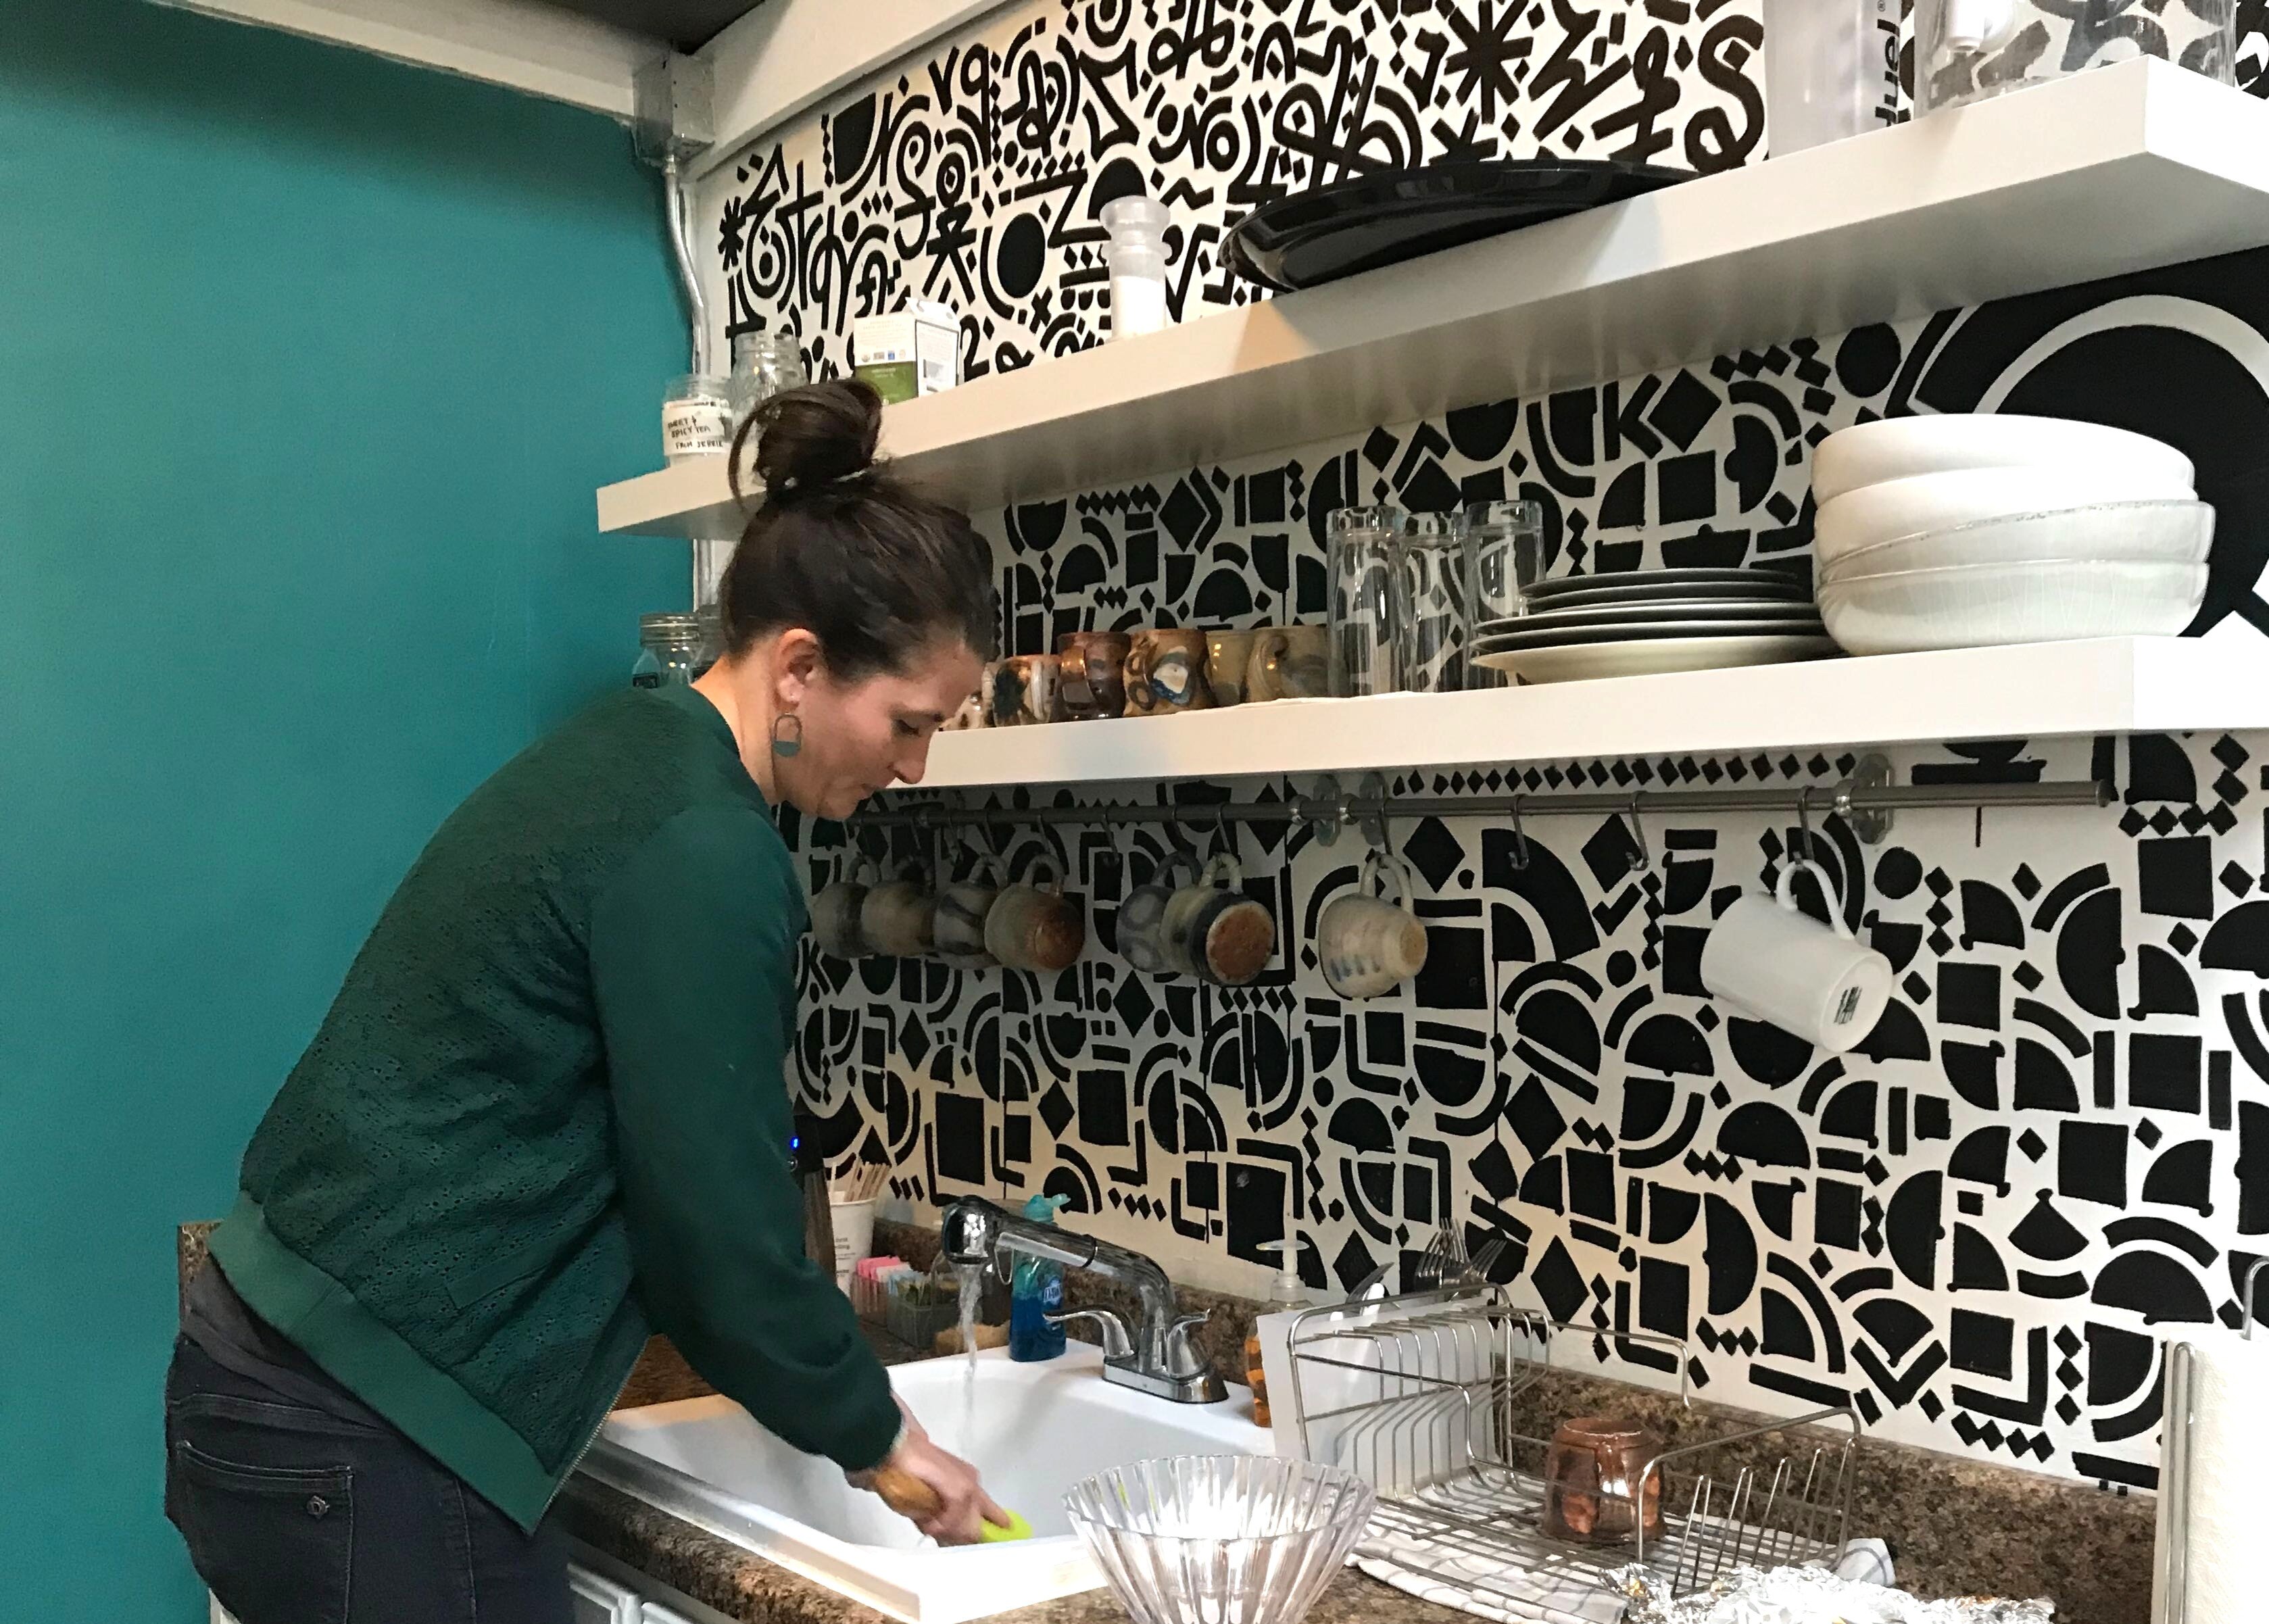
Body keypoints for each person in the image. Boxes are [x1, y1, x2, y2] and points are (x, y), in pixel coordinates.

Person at [164, 379, 1005, 1624]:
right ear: (799, 666)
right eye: (907, 721)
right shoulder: (702, 847)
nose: (914, 764)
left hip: (280, 1374)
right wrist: (880, 1436)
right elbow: (713, 1231)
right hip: (365, 1429)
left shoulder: (630, 754)